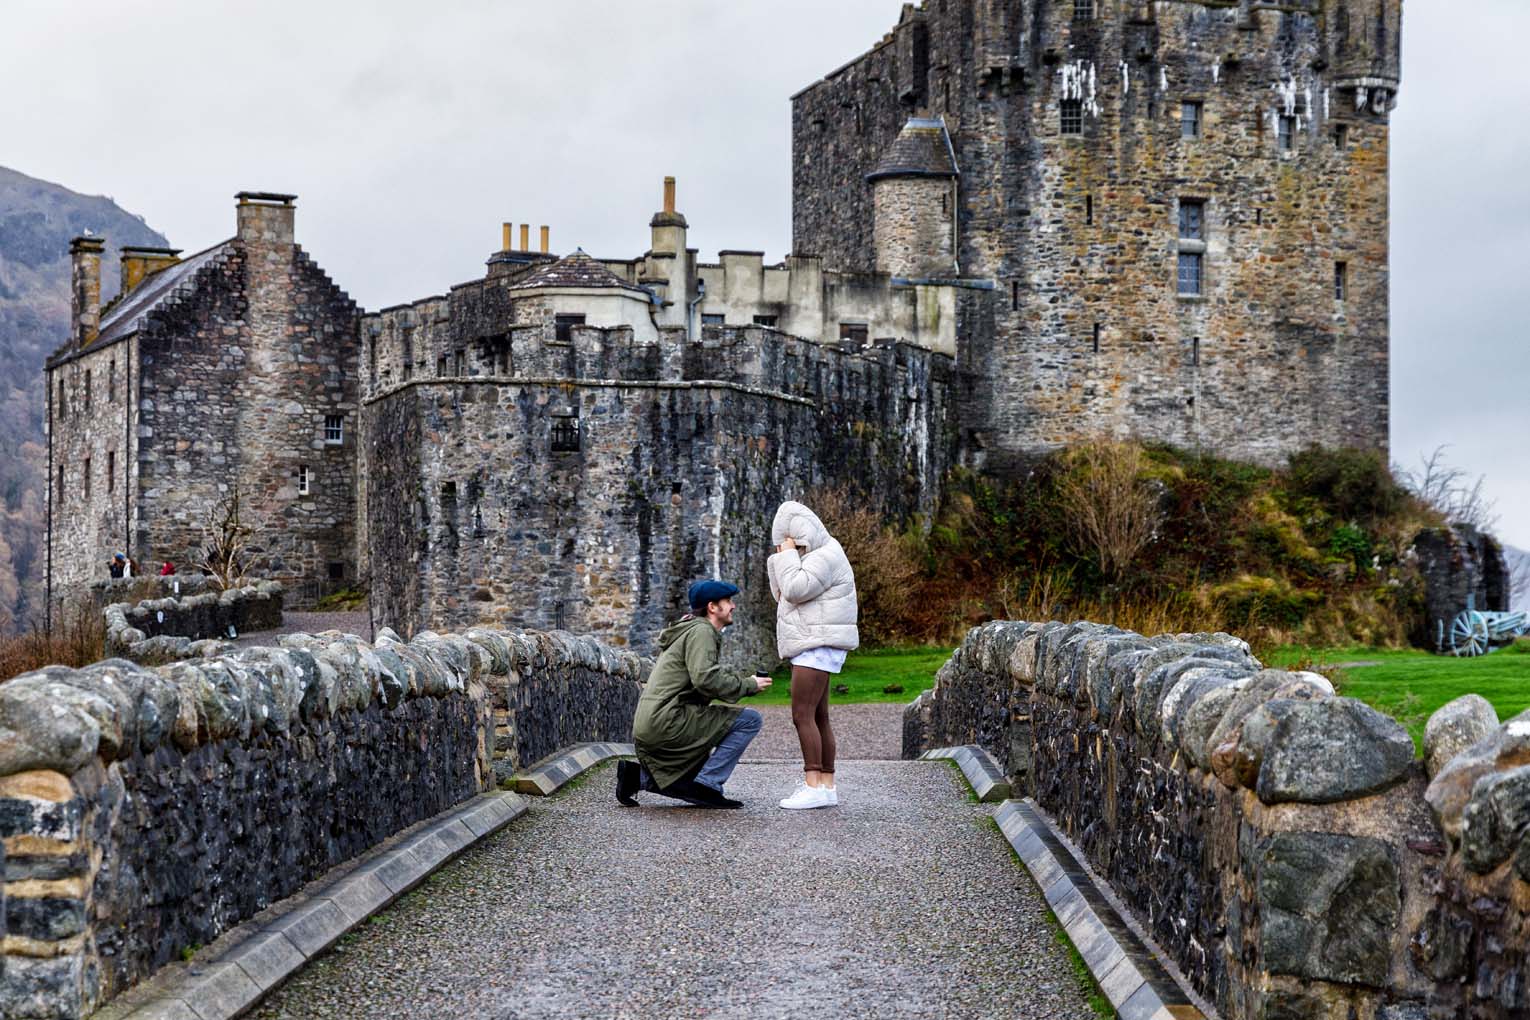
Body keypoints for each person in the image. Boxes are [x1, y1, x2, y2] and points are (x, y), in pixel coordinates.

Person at [617, 579, 773, 809]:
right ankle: (708, 785)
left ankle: (637, 777)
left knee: (688, 777)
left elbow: (704, 677)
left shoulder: (690, 630)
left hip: (654, 722)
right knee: (750, 720)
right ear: (712, 607)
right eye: (728, 601)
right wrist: (748, 685)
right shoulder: (702, 631)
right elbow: (706, 679)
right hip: (667, 722)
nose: (733, 606)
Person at [767, 501, 859, 810]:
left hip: (816, 645)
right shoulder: (822, 553)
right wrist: (785, 557)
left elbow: (794, 590)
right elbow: (782, 594)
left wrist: (787, 556)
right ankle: (826, 785)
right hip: (816, 642)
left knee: (801, 714)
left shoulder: (823, 556)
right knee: (819, 716)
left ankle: (812, 784)